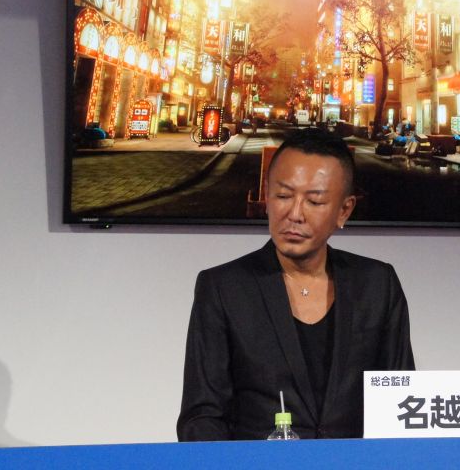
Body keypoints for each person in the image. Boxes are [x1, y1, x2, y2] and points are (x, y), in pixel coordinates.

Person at [177, 129, 415, 440]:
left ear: (344, 210)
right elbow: (201, 417)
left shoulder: (377, 285)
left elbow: (402, 401)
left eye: (314, 201)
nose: (295, 214)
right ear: (267, 196)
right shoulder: (223, 288)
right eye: (283, 196)